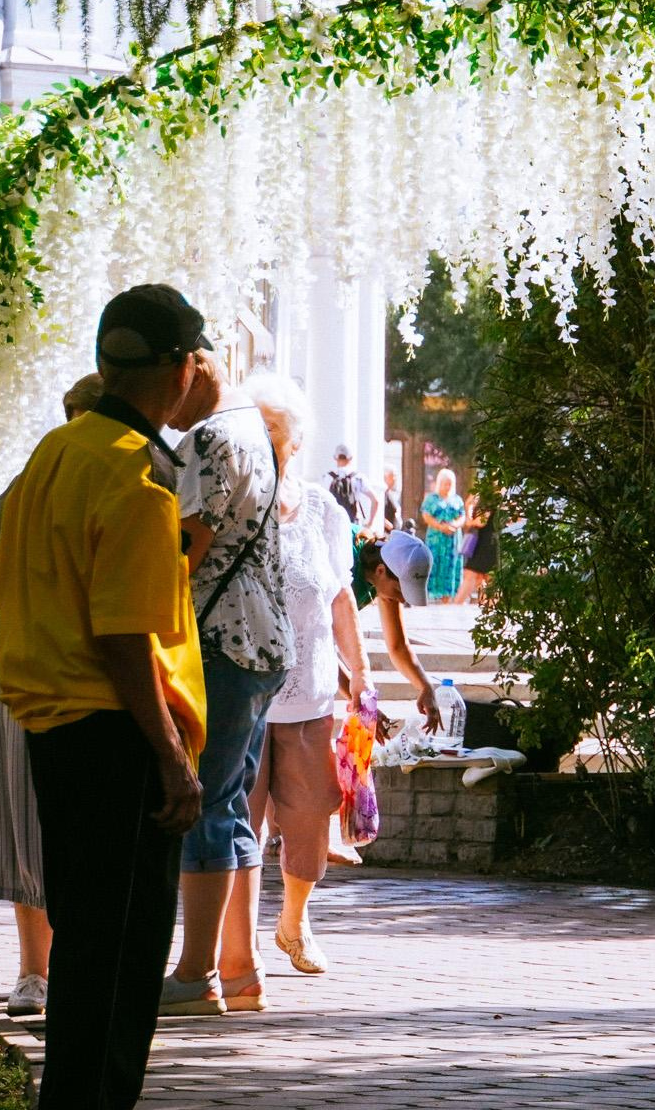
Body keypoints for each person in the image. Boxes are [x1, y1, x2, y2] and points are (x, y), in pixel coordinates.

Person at [0, 284, 211, 1110]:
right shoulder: (140, 481)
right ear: (182, 369)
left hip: (55, 728)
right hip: (118, 736)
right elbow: (124, 639)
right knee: (123, 956)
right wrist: (170, 759)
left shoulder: (59, 450)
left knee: (86, 945)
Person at [243, 373, 442, 978]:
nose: (261, 439)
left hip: (306, 700)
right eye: (255, 428)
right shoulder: (230, 503)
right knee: (237, 825)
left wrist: (364, 682)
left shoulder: (326, 515)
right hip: (243, 695)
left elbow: (336, 610)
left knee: (309, 817)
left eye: (274, 431)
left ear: (296, 442)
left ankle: (293, 923)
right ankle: (236, 942)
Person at [0, 371, 109, 1017]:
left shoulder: (137, 484)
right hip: (30, 664)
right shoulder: (28, 487)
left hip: (103, 672)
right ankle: (35, 971)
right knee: (26, 822)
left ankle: (90, 972)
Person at [159, 353, 293, 1017]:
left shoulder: (211, 438)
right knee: (233, 805)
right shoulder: (255, 433)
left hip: (219, 638)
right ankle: (238, 968)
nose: (162, 411)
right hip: (262, 639)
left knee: (205, 804)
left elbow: (186, 548)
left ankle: (196, 972)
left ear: (193, 368)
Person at [420, 468, 465, 603]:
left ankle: (448, 597)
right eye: (445, 483)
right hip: (436, 539)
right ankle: (431, 596)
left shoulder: (457, 499)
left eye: (450, 484)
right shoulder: (431, 499)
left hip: (453, 539)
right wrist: (440, 526)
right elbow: (426, 516)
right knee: (434, 564)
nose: (448, 486)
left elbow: (462, 516)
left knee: (451, 565)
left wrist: (455, 525)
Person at [455, 490, 499, 605]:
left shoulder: (490, 499)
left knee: (478, 576)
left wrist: (469, 522)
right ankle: (490, 607)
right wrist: (469, 505)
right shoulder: (482, 497)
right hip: (482, 541)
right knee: (483, 577)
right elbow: (471, 511)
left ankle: (456, 605)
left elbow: (481, 521)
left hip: (487, 542)